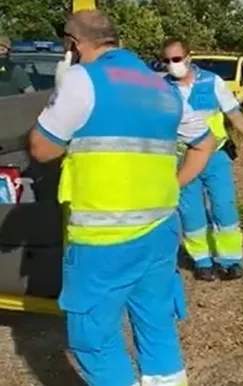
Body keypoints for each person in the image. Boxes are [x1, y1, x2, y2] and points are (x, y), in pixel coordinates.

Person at [27, 10, 214, 386]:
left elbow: (42, 149)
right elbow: (205, 143)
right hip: (160, 231)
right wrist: (173, 186)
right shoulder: (162, 86)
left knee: (93, 340)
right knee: (157, 327)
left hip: (103, 241)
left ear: (72, 45)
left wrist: (60, 90)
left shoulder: (82, 79)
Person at [162, 38, 243, 282]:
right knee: (191, 212)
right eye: (167, 60)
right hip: (182, 158)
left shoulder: (211, 82)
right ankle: (202, 261)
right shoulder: (163, 88)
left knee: (224, 207)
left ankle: (231, 261)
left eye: (176, 59)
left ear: (188, 57)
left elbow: (233, 112)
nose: (172, 65)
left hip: (215, 155)